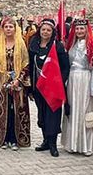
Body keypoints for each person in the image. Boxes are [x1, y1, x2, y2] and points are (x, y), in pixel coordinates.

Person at [0, 17, 30, 150]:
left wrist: (18, 80)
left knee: (16, 110)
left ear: (15, 28)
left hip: (17, 83)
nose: (8, 29)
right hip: (1, 82)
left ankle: (15, 139)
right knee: (2, 110)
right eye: (6, 27)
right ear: (2, 29)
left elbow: (26, 63)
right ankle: (2, 139)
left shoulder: (21, 44)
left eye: (11, 27)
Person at [28, 18, 70, 157]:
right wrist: (30, 88)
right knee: (42, 115)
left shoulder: (57, 47)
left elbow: (65, 67)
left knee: (53, 116)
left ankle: (53, 144)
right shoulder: (34, 45)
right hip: (38, 86)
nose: (45, 32)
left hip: (53, 88)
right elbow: (30, 66)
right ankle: (45, 140)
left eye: (48, 30)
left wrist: (59, 82)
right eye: (43, 29)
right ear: (39, 30)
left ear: (52, 32)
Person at [61, 18, 93, 155]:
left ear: (86, 30)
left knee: (84, 110)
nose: (79, 31)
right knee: (72, 109)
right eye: (77, 28)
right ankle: (72, 143)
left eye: (82, 28)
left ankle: (86, 145)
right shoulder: (70, 45)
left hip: (85, 78)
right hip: (72, 79)